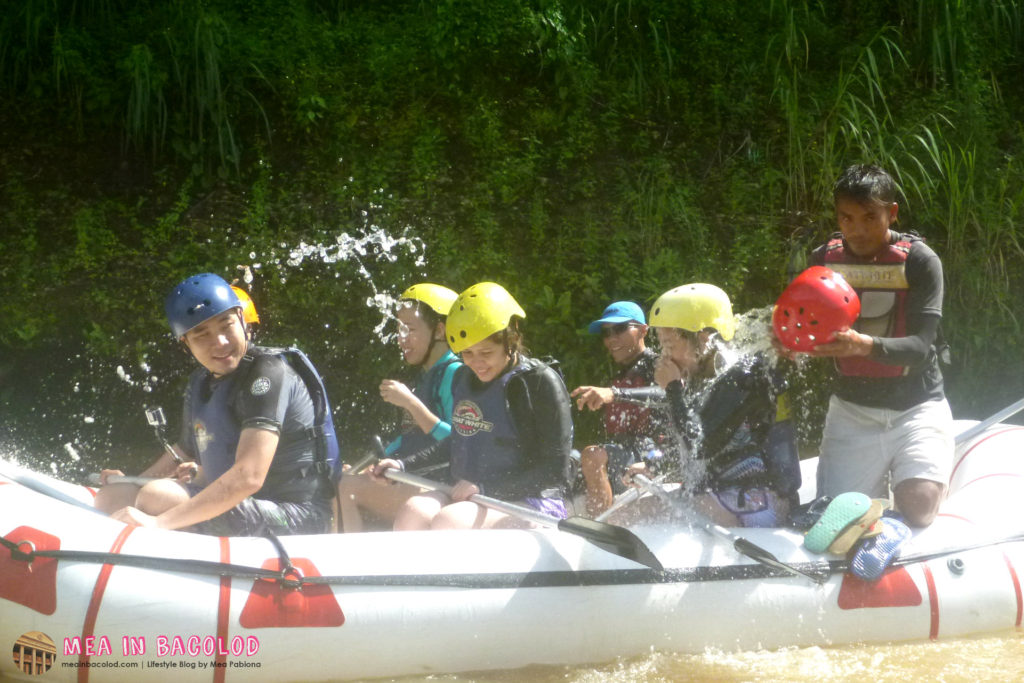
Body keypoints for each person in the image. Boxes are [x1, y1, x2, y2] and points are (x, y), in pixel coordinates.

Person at [95, 272, 339, 535]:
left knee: (156, 498)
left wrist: (157, 522)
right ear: (185, 344)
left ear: (243, 321)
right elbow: (184, 451)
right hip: (249, 506)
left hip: (297, 516)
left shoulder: (268, 374)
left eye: (227, 325)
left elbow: (248, 476)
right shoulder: (202, 382)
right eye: (202, 335)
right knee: (114, 495)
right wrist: (133, 480)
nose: (220, 342)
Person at [801, 164, 952, 528]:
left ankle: (897, 524)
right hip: (851, 410)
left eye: (870, 217)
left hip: (916, 407)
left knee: (918, 507)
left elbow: (919, 347)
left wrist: (863, 345)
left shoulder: (920, 261)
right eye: (847, 218)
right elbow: (803, 326)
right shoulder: (822, 259)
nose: (858, 229)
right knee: (837, 522)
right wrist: (790, 340)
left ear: (892, 213)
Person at [377, 282, 573, 530]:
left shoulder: (538, 382)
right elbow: (461, 438)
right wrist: (403, 464)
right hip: (474, 494)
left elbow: (556, 472)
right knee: (412, 512)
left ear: (510, 339)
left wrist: (486, 489)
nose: (477, 363)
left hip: (532, 503)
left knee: (449, 521)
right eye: (467, 354)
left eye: (486, 352)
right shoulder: (465, 377)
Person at [620, 283, 799, 528]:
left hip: (758, 502)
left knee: (637, 518)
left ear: (704, 339)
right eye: (662, 346)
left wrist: (673, 389)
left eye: (670, 345)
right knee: (624, 515)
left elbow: (700, 446)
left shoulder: (741, 377)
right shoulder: (703, 377)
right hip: (726, 495)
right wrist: (654, 466)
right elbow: (698, 451)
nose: (665, 356)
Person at [337, 283, 462, 532]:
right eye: (399, 328)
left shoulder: (455, 373)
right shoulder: (427, 375)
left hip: (439, 486)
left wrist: (411, 403)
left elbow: (458, 441)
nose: (401, 338)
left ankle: (352, 567)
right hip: (414, 476)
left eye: (410, 329)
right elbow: (410, 437)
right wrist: (368, 467)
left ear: (439, 330)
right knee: (344, 477)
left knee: (343, 487)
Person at [570, 301, 663, 517]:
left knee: (592, 455)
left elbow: (669, 394)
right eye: (606, 333)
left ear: (643, 330)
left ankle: (600, 529)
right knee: (572, 459)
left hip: (655, 454)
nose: (611, 339)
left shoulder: (658, 364)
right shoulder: (620, 373)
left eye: (620, 329)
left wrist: (615, 394)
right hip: (625, 457)